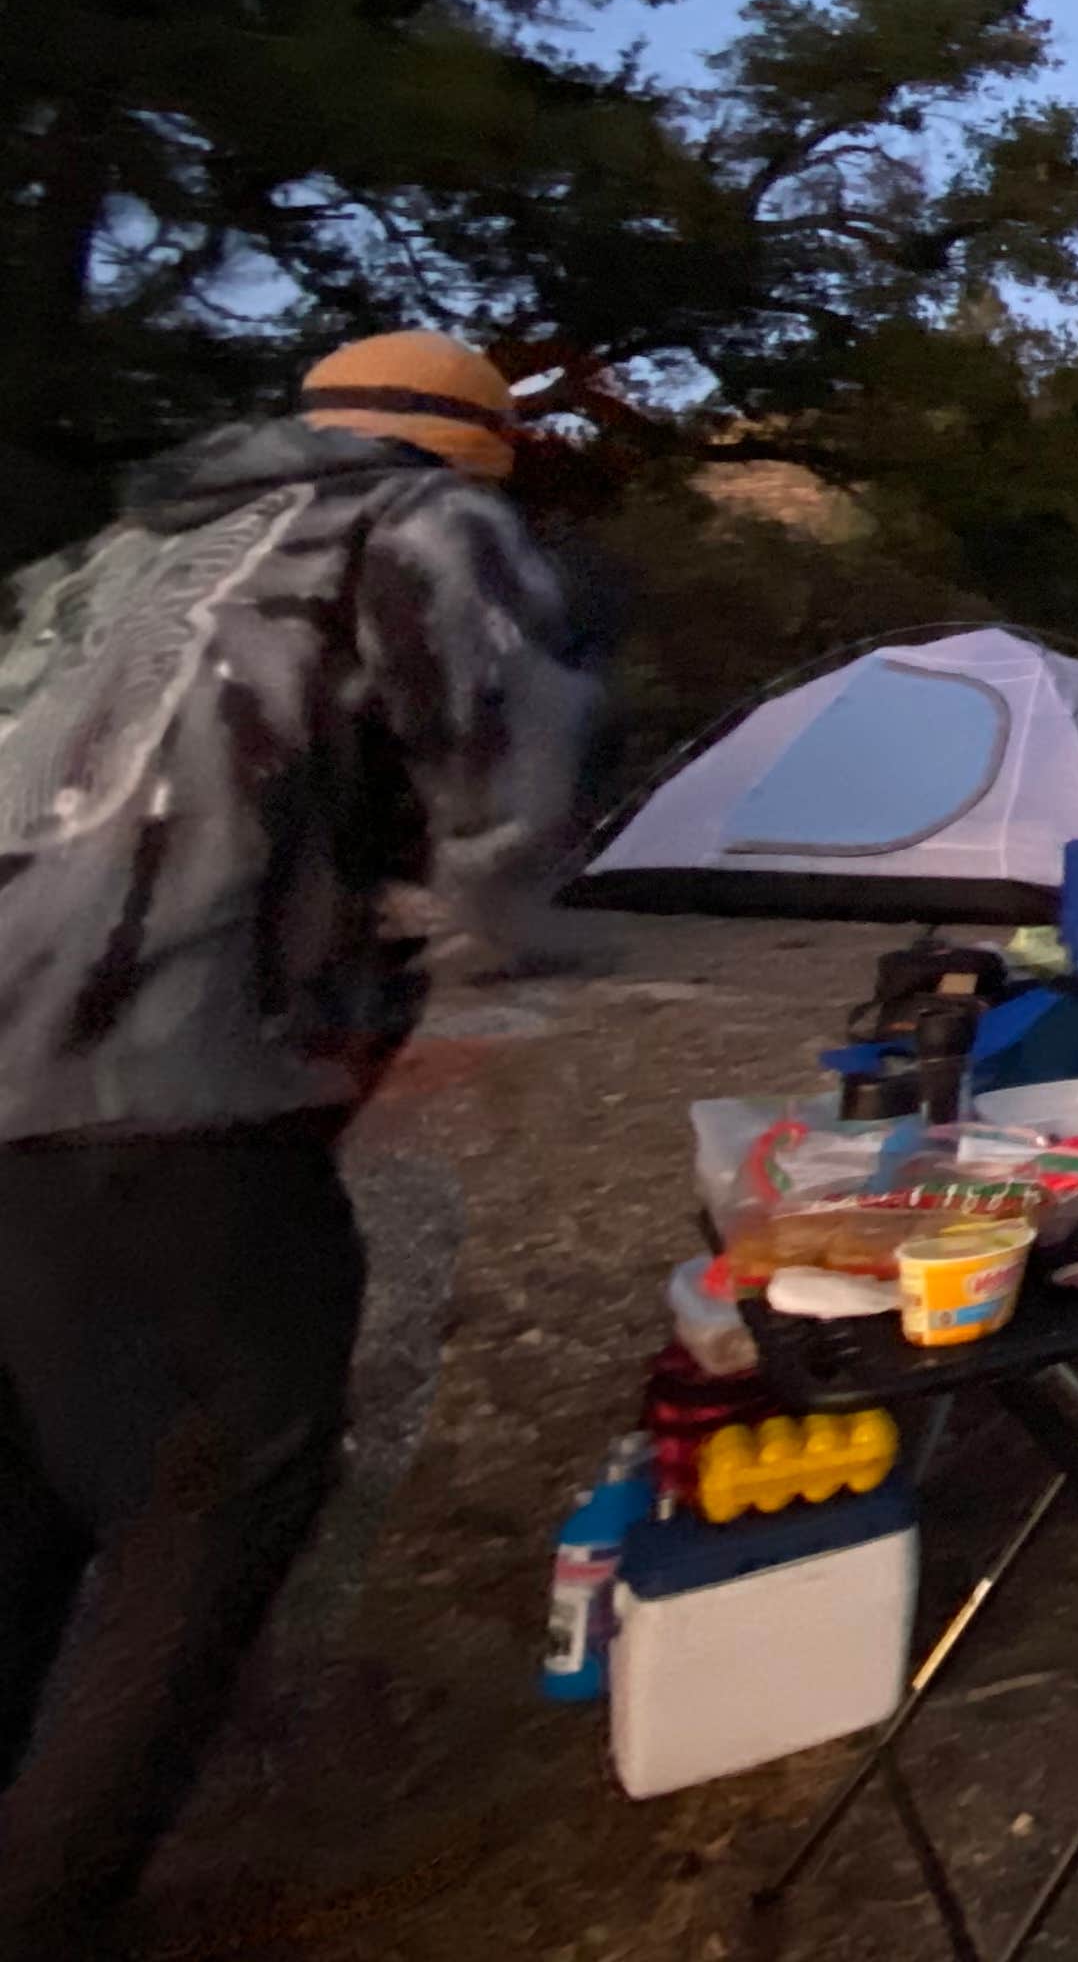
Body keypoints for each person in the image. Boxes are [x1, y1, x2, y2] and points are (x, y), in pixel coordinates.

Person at [0, 332, 597, 1950]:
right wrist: (453, 939)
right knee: (218, 1484)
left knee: (39, 1471)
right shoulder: (423, 526)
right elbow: (503, 796)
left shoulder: (100, 563)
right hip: (164, 1081)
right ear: (476, 452)